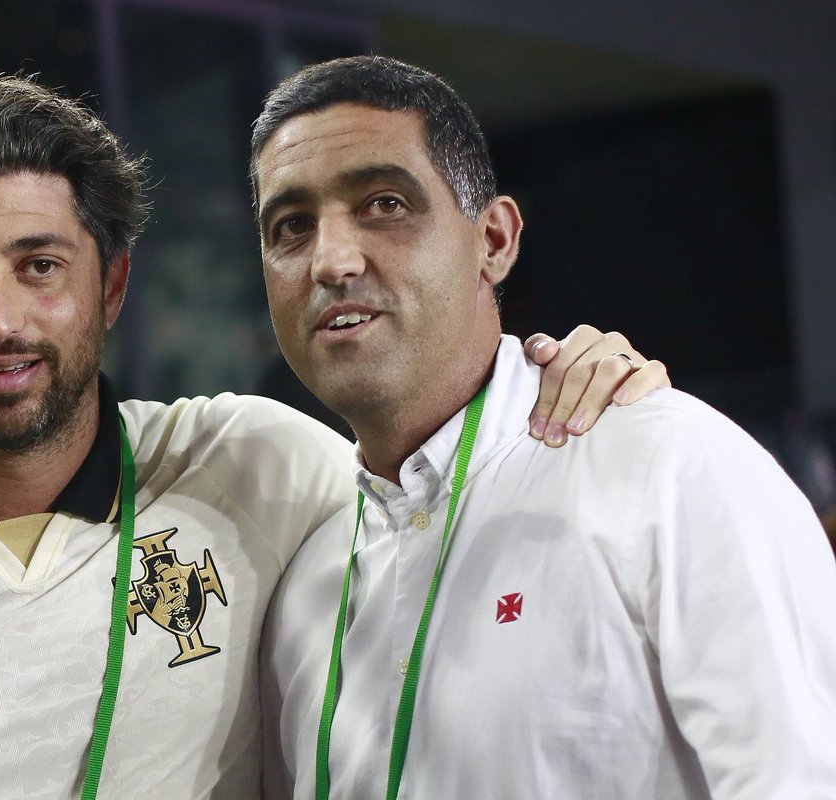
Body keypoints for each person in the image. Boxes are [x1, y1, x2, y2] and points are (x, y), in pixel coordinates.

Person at [0, 76, 664, 800]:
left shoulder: (251, 462)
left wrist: (573, 375)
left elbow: (446, 483)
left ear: (111, 287)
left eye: (40, 267)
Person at [254, 56, 836, 800]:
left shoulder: (665, 466)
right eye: (292, 226)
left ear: (494, 241)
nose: (330, 260)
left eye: (384, 204)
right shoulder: (303, 585)